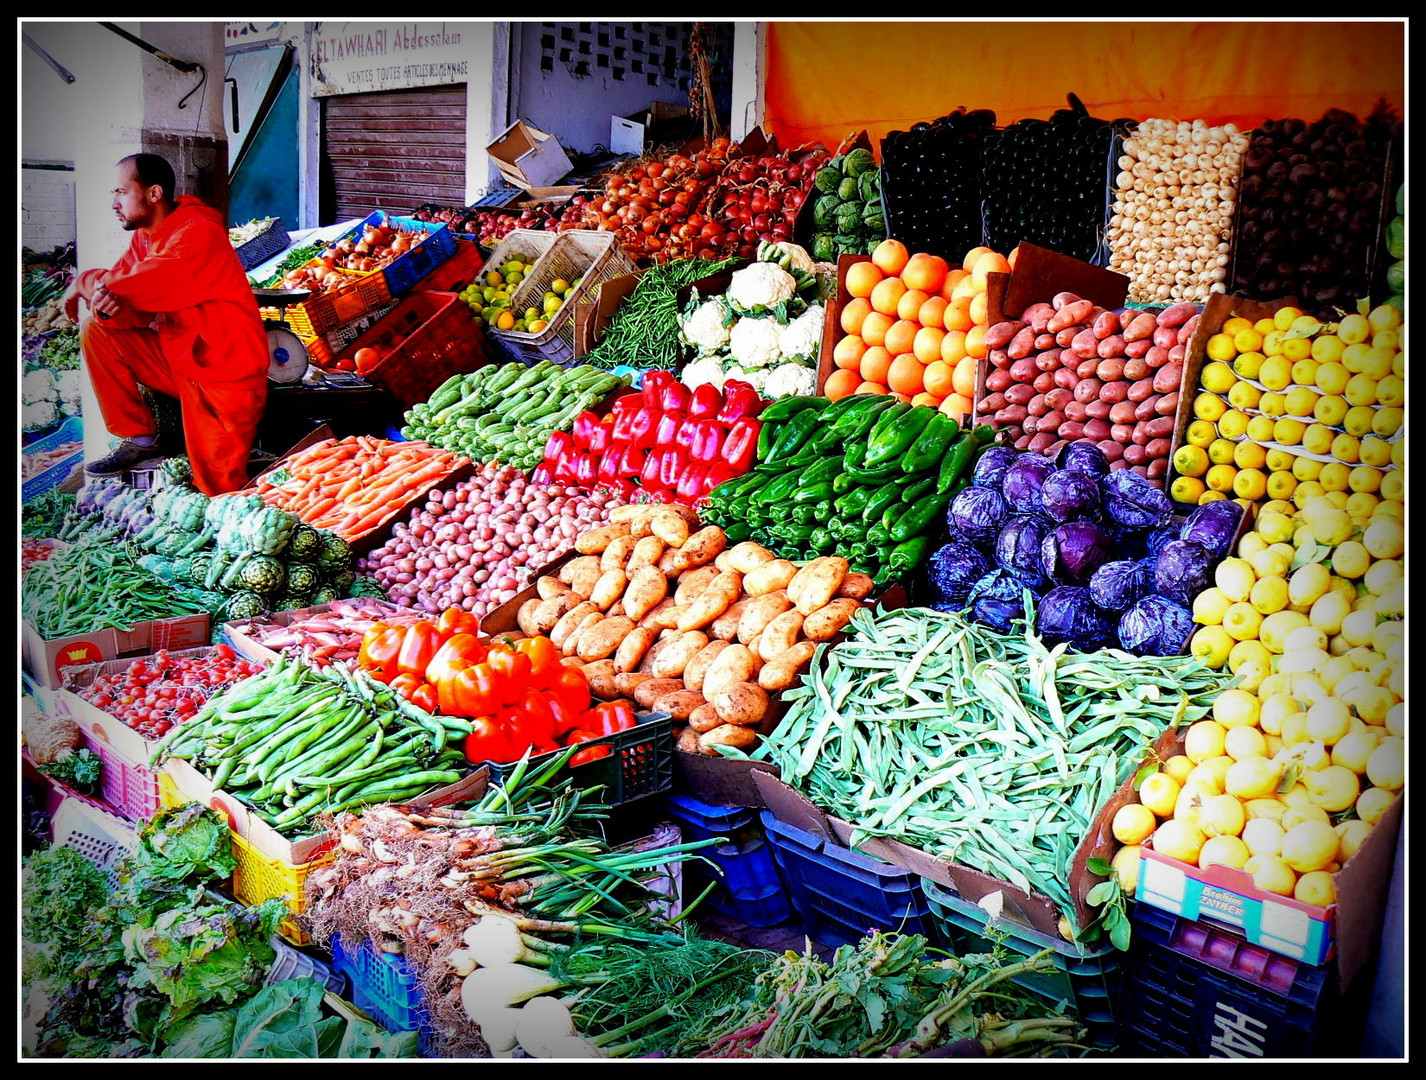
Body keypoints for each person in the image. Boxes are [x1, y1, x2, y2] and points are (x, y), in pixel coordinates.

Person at [64, 152, 270, 496]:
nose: (115, 203)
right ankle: (141, 439)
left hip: (226, 377)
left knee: (216, 490)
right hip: (181, 364)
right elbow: (127, 297)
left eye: (120, 192)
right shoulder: (146, 236)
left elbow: (135, 283)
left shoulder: (199, 234)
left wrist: (82, 283)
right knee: (97, 329)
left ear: (154, 193)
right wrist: (108, 303)